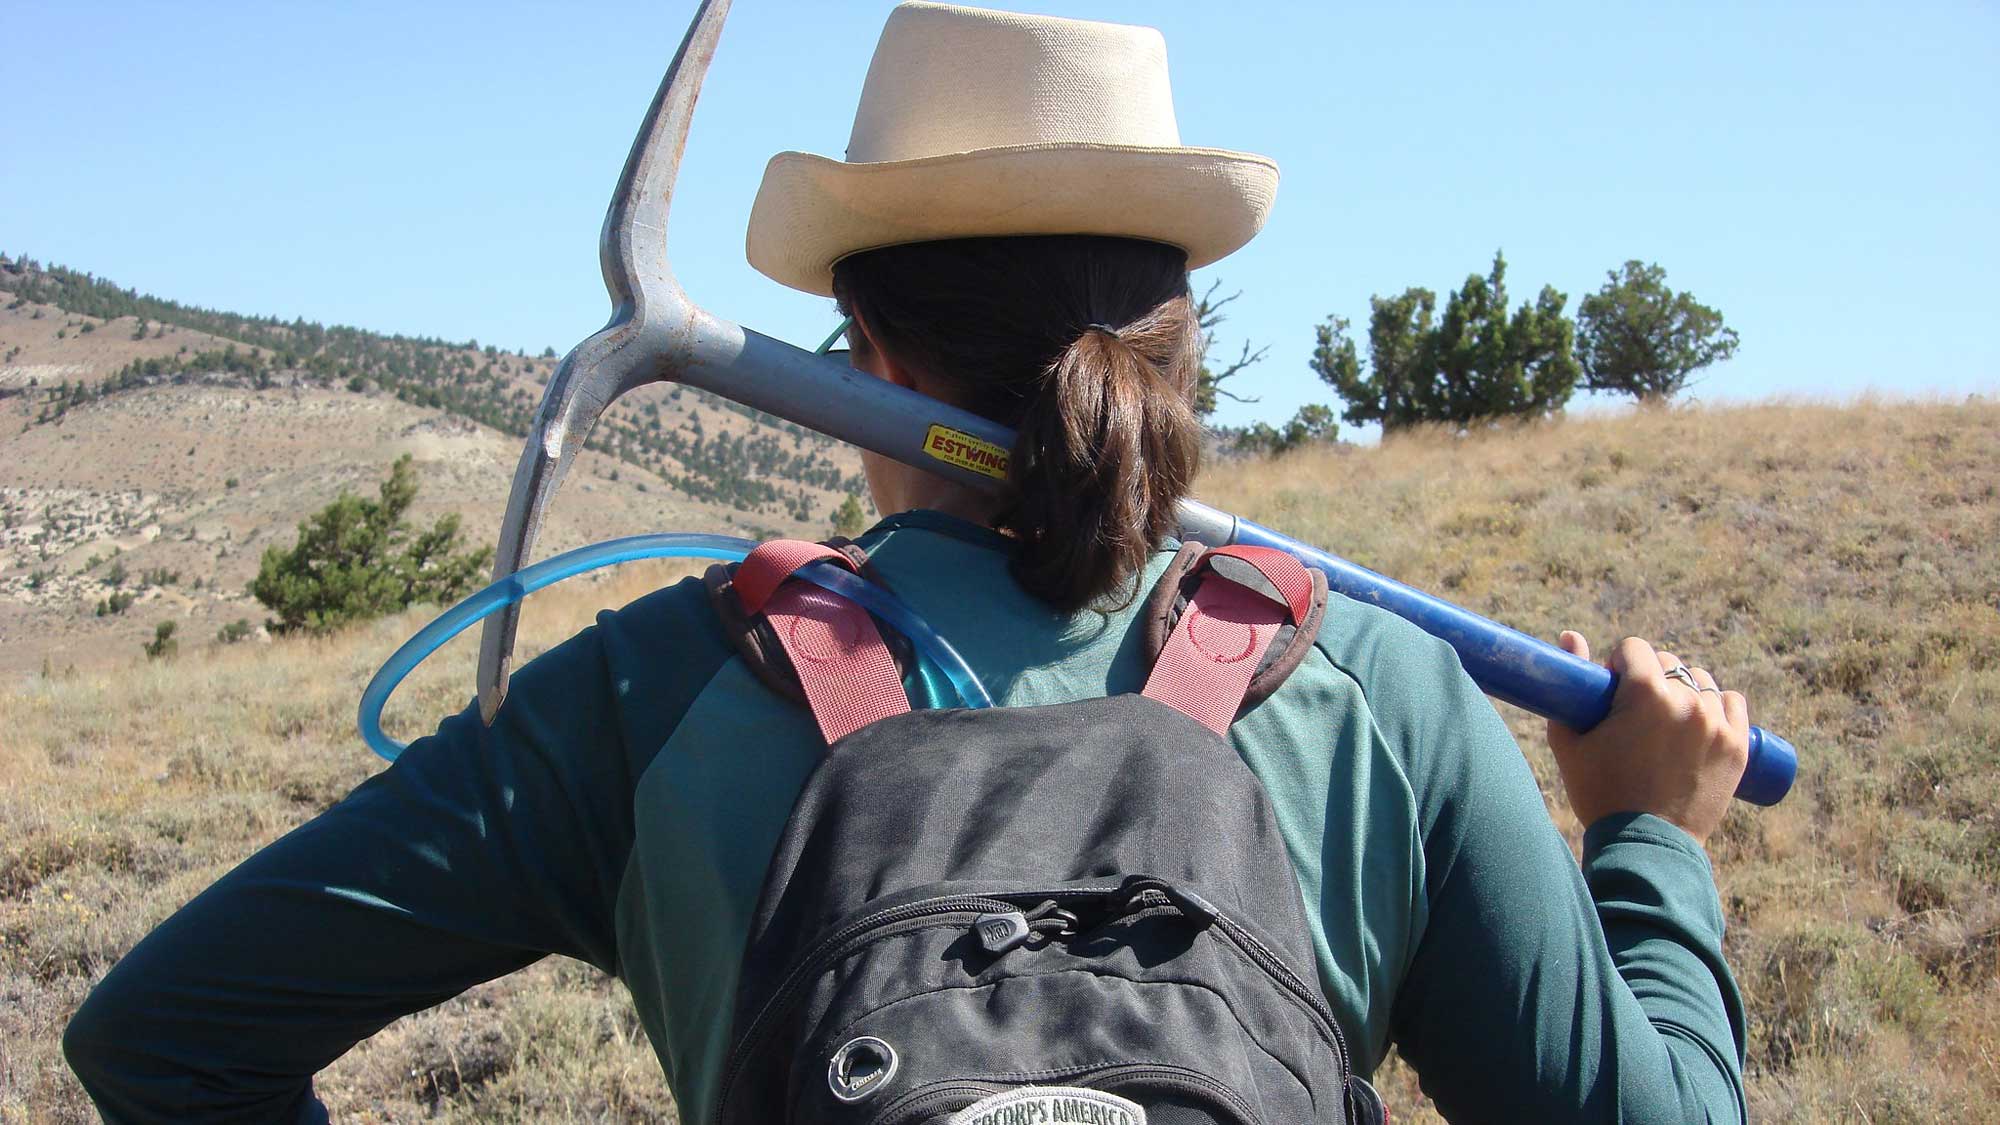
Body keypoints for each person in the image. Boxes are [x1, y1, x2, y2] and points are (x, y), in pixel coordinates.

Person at [64, 3, 1751, 1122]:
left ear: (861, 352)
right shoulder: (1384, 697)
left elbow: (162, 1035)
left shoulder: (653, 695)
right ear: (1178, 333)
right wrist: (1648, 838)